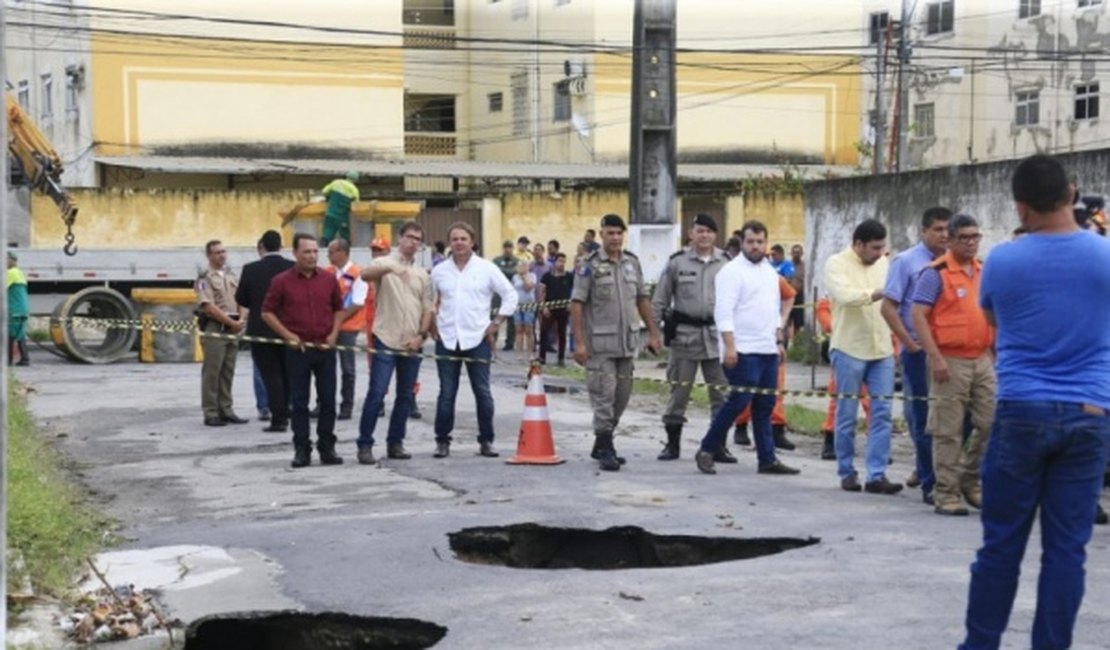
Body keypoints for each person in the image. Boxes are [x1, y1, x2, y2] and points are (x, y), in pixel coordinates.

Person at [959, 155, 1110, 650]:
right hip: (1089, 413)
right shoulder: (1104, 258)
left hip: (1022, 410)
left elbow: (996, 322)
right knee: (1067, 551)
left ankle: (980, 646)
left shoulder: (1003, 260)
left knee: (1001, 546)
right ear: (1072, 193)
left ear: (1020, 209)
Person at [694, 221, 799, 477]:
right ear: (742, 242)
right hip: (742, 349)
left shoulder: (770, 272)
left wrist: (778, 341)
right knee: (739, 400)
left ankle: (767, 459)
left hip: (767, 349)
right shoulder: (731, 272)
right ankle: (708, 448)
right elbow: (724, 313)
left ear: (766, 243)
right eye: (751, 241)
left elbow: (774, 309)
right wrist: (729, 347)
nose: (756, 246)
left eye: (760, 242)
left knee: (765, 405)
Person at [910, 214, 995, 517]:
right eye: (964, 237)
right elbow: (918, 315)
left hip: (982, 357)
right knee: (948, 430)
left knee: (990, 422)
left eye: (975, 236)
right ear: (952, 240)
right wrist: (934, 356)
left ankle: (969, 478)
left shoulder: (984, 270)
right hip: (949, 359)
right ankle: (946, 492)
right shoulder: (936, 273)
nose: (971, 242)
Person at [571, 213, 663, 471]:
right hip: (599, 345)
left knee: (621, 398)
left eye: (618, 233)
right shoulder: (587, 264)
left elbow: (642, 299)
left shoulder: (631, 263)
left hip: (627, 343)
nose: (614, 237)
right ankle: (606, 447)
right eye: (610, 233)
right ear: (601, 235)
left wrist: (654, 333)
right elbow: (577, 304)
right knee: (604, 395)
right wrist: (579, 343)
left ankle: (602, 440)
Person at [823, 219, 901, 495]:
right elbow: (846, 296)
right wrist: (879, 293)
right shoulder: (836, 264)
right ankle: (847, 471)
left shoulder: (885, 263)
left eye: (883, 247)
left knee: (881, 414)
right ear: (858, 245)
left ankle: (876, 475)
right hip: (848, 349)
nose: (880, 252)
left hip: (882, 349)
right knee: (846, 414)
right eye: (874, 247)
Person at [880, 206, 951, 505]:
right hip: (918, 352)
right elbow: (888, 306)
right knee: (922, 419)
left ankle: (943, 473)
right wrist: (909, 344)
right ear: (924, 231)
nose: (944, 235)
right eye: (938, 229)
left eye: (948, 229)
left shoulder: (955, 264)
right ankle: (930, 482)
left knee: (957, 417)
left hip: (950, 353)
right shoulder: (907, 262)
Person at [430, 221, 518, 459]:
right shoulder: (439, 271)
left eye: (463, 239)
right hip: (447, 339)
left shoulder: (486, 269)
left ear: (472, 241)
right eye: (455, 239)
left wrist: (496, 323)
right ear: (450, 242)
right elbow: (429, 301)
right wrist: (431, 325)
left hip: (477, 338)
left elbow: (510, 295)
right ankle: (442, 441)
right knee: (447, 392)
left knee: (482, 391)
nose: (459, 243)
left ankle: (487, 440)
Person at [261, 233, 345, 468]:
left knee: (328, 400)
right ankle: (302, 448)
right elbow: (267, 312)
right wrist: (287, 335)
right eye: (306, 252)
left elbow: (339, 309)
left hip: (325, 348)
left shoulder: (329, 279)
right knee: (299, 402)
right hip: (298, 351)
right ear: (295, 253)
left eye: (315, 251)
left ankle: (327, 446)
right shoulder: (281, 281)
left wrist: (333, 334)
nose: (311, 256)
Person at [651, 213, 729, 462]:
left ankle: (718, 445)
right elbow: (660, 299)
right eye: (700, 230)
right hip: (684, 337)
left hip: (716, 337)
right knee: (679, 393)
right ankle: (672, 445)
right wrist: (653, 332)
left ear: (715, 235)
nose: (704, 235)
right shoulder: (677, 262)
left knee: (721, 394)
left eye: (709, 231)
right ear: (691, 234)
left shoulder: (726, 262)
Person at [356, 222, 435, 465]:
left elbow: (428, 309)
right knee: (377, 393)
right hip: (386, 338)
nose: (413, 242)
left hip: (412, 342)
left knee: (405, 395)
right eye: (409, 237)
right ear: (399, 239)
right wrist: (393, 267)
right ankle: (365, 445)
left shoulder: (422, 274)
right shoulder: (383, 263)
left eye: (417, 239)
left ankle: (395, 443)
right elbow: (365, 275)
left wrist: (421, 335)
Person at [237, 230, 295, 433]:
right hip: (288, 329)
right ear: (281, 245)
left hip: (261, 329)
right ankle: (289, 410)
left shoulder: (251, 269)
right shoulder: (292, 267)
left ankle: (278, 419)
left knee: (270, 375)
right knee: (288, 373)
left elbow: (241, 299)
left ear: (262, 246)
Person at [730, 275, 797, 451]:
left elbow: (790, 295)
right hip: (744, 341)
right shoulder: (735, 275)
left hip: (770, 340)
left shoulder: (773, 277)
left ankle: (776, 430)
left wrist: (782, 322)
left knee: (775, 388)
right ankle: (741, 426)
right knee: (745, 388)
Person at [195, 240, 247, 427]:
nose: (222, 255)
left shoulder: (231, 275)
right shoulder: (203, 279)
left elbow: (243, 299)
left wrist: (240, 320)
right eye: (217, 252)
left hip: (233, 327)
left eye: (224, 251)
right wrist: (232, 323)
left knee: (227, 371)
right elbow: (208, 306)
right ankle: (210, 411)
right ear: (209, 256)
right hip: (216, 328)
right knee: (212, 371)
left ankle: (226, 409)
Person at [815, 296, 870, 460]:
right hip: (844, 349)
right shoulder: (834, 293)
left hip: (870, 350)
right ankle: (830, 442)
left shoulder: (873, 288)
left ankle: (876, 445)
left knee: (873, 402)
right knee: (838, 399)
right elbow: (825, 316)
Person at [325, 239, 369, 421]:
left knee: (347, 369)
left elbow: (358, 303)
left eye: (332, 252)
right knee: (325, 367)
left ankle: (347, 405)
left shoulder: (357, 274)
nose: (329, 256)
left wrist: (338, 319)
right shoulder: (328, 272)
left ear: (343, 252)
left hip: (348, 327)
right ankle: (324, 403)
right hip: (328, 326)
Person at [538, 252, 573, 366]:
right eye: (560, 261)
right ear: (555, 262)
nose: (562, 264)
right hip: (549, 308)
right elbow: (541, 291)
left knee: (562, 333)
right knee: (544, 332)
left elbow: (575, 291)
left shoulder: (568, 276)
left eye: (563, 261)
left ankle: (561, 358)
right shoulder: (547, 276)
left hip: (563, 309)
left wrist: (570, 303)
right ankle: (542, 357)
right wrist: (543, 307)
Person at [321, 170, 360, 246]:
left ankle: (322, 249)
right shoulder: (354, 190)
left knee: (327, 234)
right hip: (342, 217)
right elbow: (356, 206)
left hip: (330, 214)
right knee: (345, 236)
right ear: (355, 180)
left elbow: (324, 191)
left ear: (345, 176)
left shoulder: (336, 182)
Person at [492, 240, 519, 351]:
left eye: (509, 247)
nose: (507, 249)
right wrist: (507, 271)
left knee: (511, 319)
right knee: (495, 316)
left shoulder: (517, 261)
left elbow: (514, 272)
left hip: (511, 292)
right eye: (505, 247)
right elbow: (495, 273)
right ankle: (493, 340)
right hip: (498, 293)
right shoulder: (496, 260)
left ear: (512, 248)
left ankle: (510, 342)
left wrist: (502, 271)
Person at [7, 251, 30, 366]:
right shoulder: (19, 272)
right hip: (23, 308)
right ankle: (25, 359)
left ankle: (8, 361)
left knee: (9, 335)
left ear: (11, 260)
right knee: (20, 335)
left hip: (14, 309)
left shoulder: (10, 273)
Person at [512, 260, 537, 355]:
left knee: (528, 330)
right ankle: (519, 353)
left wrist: (523, 277)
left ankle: (530, 352)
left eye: (524, 265)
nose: (521, 267)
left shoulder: (532, 276)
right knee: (518, 329)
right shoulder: (514, 277)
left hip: (529, 305)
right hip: (517, 306)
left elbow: (528, 288)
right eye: (519, 266)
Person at [787, 244, 806, 335]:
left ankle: (796, 343)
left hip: (799, 297)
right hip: (787, 297)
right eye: (794, 252)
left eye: (798, 252)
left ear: (802, 254)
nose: (796, 254)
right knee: (786, 320)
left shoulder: (805, 266)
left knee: (798, 323)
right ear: (791, 254)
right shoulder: (787, 265)